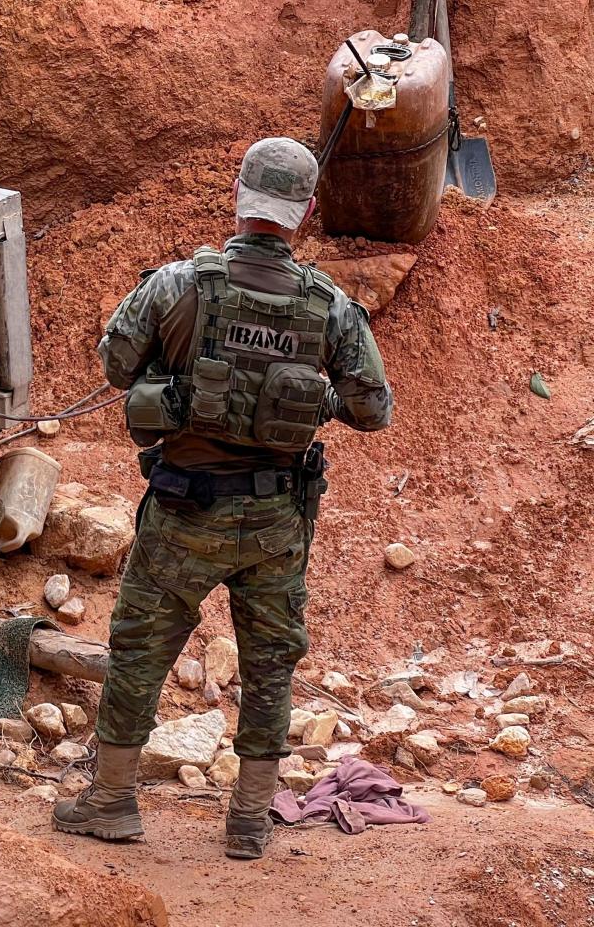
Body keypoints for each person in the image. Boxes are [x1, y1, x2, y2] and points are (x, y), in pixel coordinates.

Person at [53, 137, 393, 859]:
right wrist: (309, 397)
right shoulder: (329, 307)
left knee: (141, 650)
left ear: (241, 196)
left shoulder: (178, 285)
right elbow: (373, 410)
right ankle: (246, 820)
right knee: (270, 663)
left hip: (183, 510)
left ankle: (112, 801)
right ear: (303, 212)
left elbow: (116, 366)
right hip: (276, 518)